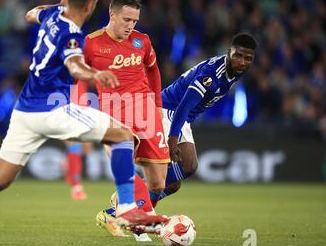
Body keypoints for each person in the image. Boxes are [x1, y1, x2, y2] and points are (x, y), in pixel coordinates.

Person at [0, 0, 167, 246]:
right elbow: (75, 66)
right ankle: (125, 208)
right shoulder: (73, 34)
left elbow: (30, 14)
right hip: (53, 110)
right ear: (90, 6)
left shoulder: (52, 14)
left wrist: (55, 7)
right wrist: (95, 73)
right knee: (122, 134)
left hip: (24, 111)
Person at [101, 33, 258, 232]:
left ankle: (125, 211)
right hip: (170, 112)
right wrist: (173, 139)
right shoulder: (213, 74)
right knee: (189, 165)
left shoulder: (231, 73)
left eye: (248, 58)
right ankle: (125, 204)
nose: (242, 62)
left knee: (173, 184)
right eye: (238, 55)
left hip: (181, 117)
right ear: (229, 52)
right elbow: (185, 104)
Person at [82, 0, 171, 236]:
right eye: (126, 19)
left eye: (135, 20)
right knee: (121, 160)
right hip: (112, 111)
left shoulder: (142, 41)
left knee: (159, 183)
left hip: (145, 110)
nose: (131, 25)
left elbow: (153, 70)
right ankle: (140, 216)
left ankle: (120, 203)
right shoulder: (91, 43)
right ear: (112, 15)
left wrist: (158, 105)